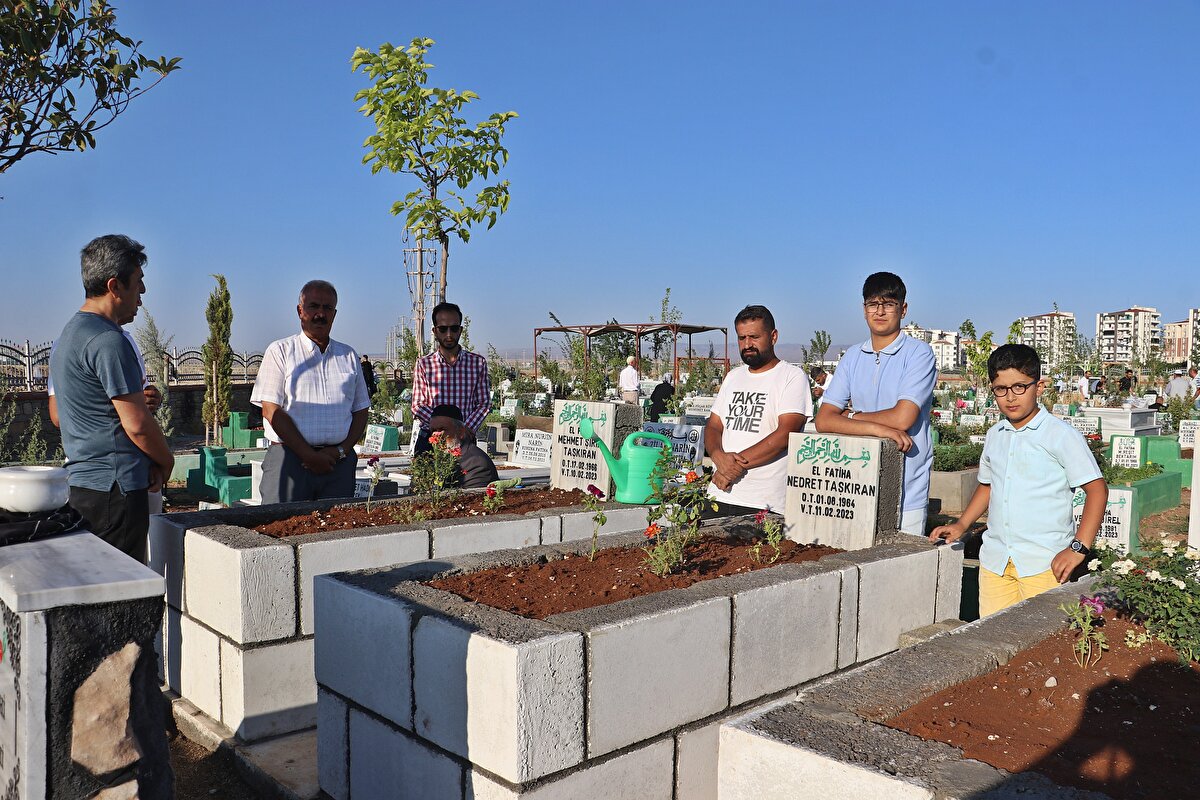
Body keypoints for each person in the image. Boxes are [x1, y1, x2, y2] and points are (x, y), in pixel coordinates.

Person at [931, 344, 1107, 617]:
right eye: (1001, 389)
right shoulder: (995, 435)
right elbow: (988, 485)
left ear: (1039, 387)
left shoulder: (1060, 435)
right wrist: (963, 524)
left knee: (1039, 647)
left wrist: (1078, 548)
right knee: (993, 641)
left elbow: (1096, 490)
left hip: (1045, 564)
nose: (1010, 397)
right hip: (996, 561)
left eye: (1019, 387)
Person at [50, 234, 174, 561]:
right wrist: (165, 460)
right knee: (121, 595)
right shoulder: (107, 341)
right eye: (138, 283)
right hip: (115, 491)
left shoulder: (69, 335)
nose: (142, 294)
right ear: (114, 286)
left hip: (84, 487)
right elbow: (137, 425)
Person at [814, 272, 938, 536]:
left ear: (903, 309)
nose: (880, 311)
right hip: (859, 488)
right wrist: (881, 429)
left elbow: (903, 418)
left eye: (889, 304)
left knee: (901, 572)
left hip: (907, 493)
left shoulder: (919, 354)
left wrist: (851, 417)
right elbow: (823, 420)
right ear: (864, 309)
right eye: (873, 304)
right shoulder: (852, 357)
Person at [251, 280, 370, 504]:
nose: (320, 314)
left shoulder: (348, 356)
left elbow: (360, 411)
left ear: (335, 313)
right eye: (313, 306)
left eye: (327, 308)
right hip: (290, 461)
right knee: (281, 530)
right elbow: (271, 410)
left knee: (337, 533)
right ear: (300, 311)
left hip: (338, 465)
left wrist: (339, 452)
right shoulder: (280, 352)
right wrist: (308, 455)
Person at [705, 305, 813, 515]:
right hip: (719, 492)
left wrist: (730, 469)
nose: (747, 345)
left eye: (754, 337)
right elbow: (714, 426)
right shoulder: (733, 377)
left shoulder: (791, 376)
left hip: (764, 502)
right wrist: (718, 456)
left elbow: (785, 435)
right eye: (741, 338)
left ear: (773, 336)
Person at [411, 302, 491, 455]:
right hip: (431, 440)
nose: (449, 334)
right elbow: (418, 405)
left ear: (460, 330)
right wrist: (442, 428)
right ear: (435, 331)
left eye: (454, 328)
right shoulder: (424, 364)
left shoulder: (477, 363)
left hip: (464, 439)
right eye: (443, 329)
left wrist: (464, 429)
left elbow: (484, 403)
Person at [426, 403, 499, 489]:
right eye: (433, 430)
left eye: (442, 429)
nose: (436, 435)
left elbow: (470, 499)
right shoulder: (438, 458)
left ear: (460, 432)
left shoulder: (476, 464)